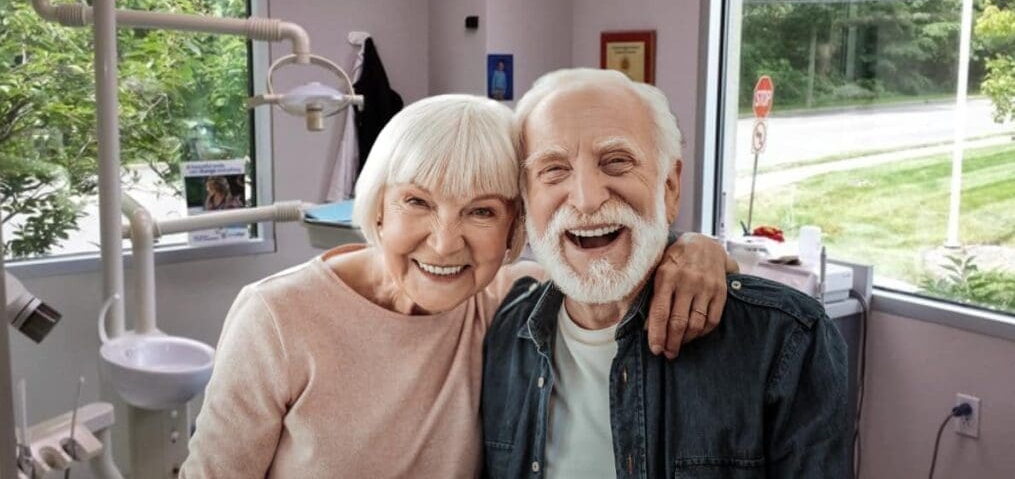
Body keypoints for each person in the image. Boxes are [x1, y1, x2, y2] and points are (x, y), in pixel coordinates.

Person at [180, 94, 735, 478]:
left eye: (481, 212)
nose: (445, 244)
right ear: (378, 208)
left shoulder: (512, 301)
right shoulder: (277, 317)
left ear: (516, 229)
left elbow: (618, 261)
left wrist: (695, 249)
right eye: (417, 202)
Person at [482, 69, 850, 478]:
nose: (586, 199)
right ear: (526, 198)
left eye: (617, 162)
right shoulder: (502, 330)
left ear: (670, 186)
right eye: (553, 169)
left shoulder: (783, 339)